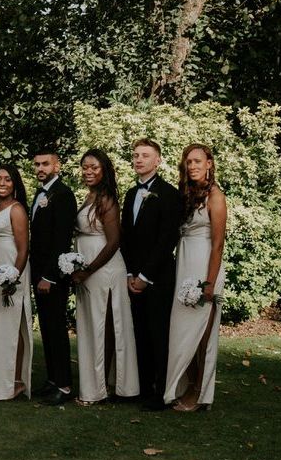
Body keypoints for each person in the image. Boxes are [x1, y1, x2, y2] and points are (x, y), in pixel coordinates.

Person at [72, 149, 138, 404]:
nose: (88, 172)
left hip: (105, 269)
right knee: (93, 327)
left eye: (94, 168)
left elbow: (113, 243)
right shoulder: (90, 196)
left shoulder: (107, 199)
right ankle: (99, 384)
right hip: (88, 267)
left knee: (103, 327)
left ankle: (98, 390)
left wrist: (88, 270)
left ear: (104, 171)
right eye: (85, 167)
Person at [165, 144, 226, 412]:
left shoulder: (216, 196)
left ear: (209, 163)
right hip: (184, 263)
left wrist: (209, 283)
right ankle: (184, 383)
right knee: (183, 330)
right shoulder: (186, 194)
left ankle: (199, 391)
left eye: (197, 161)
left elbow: (218, 244)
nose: (192, 166)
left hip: (205, 265)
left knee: (202, 332)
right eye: (188, 162)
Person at [120, 138, 181, 411]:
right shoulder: (131, 194)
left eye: (145, 155)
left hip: (158, 277)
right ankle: (143, 387)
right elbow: (126, 237)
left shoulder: (169, 194)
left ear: (157, 161)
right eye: (135, 155)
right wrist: (131, 273)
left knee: (159, 334)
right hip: (134, 277)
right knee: (140, 332)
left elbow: (167, 239)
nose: (139, 160)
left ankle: (161, 391)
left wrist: (145, 276)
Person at [29, 149, 78, 406]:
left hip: (54, 275)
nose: (40, 168)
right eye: (37, 164)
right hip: (38, 273)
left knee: (57, 329)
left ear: (56, 166)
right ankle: (52, 379)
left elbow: (61, 239)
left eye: (45, 164)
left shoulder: (63, 194)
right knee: (47, 327)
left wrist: (49, 276)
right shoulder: (41, 193)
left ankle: (65, 385)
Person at [0, 164, 33, 401]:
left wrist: (13, 277)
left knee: (12, 327)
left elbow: (23, 249)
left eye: (7, 180)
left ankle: (16, 381)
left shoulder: (16, 210)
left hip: (11, 271)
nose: (2, 183)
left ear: (15, 184)